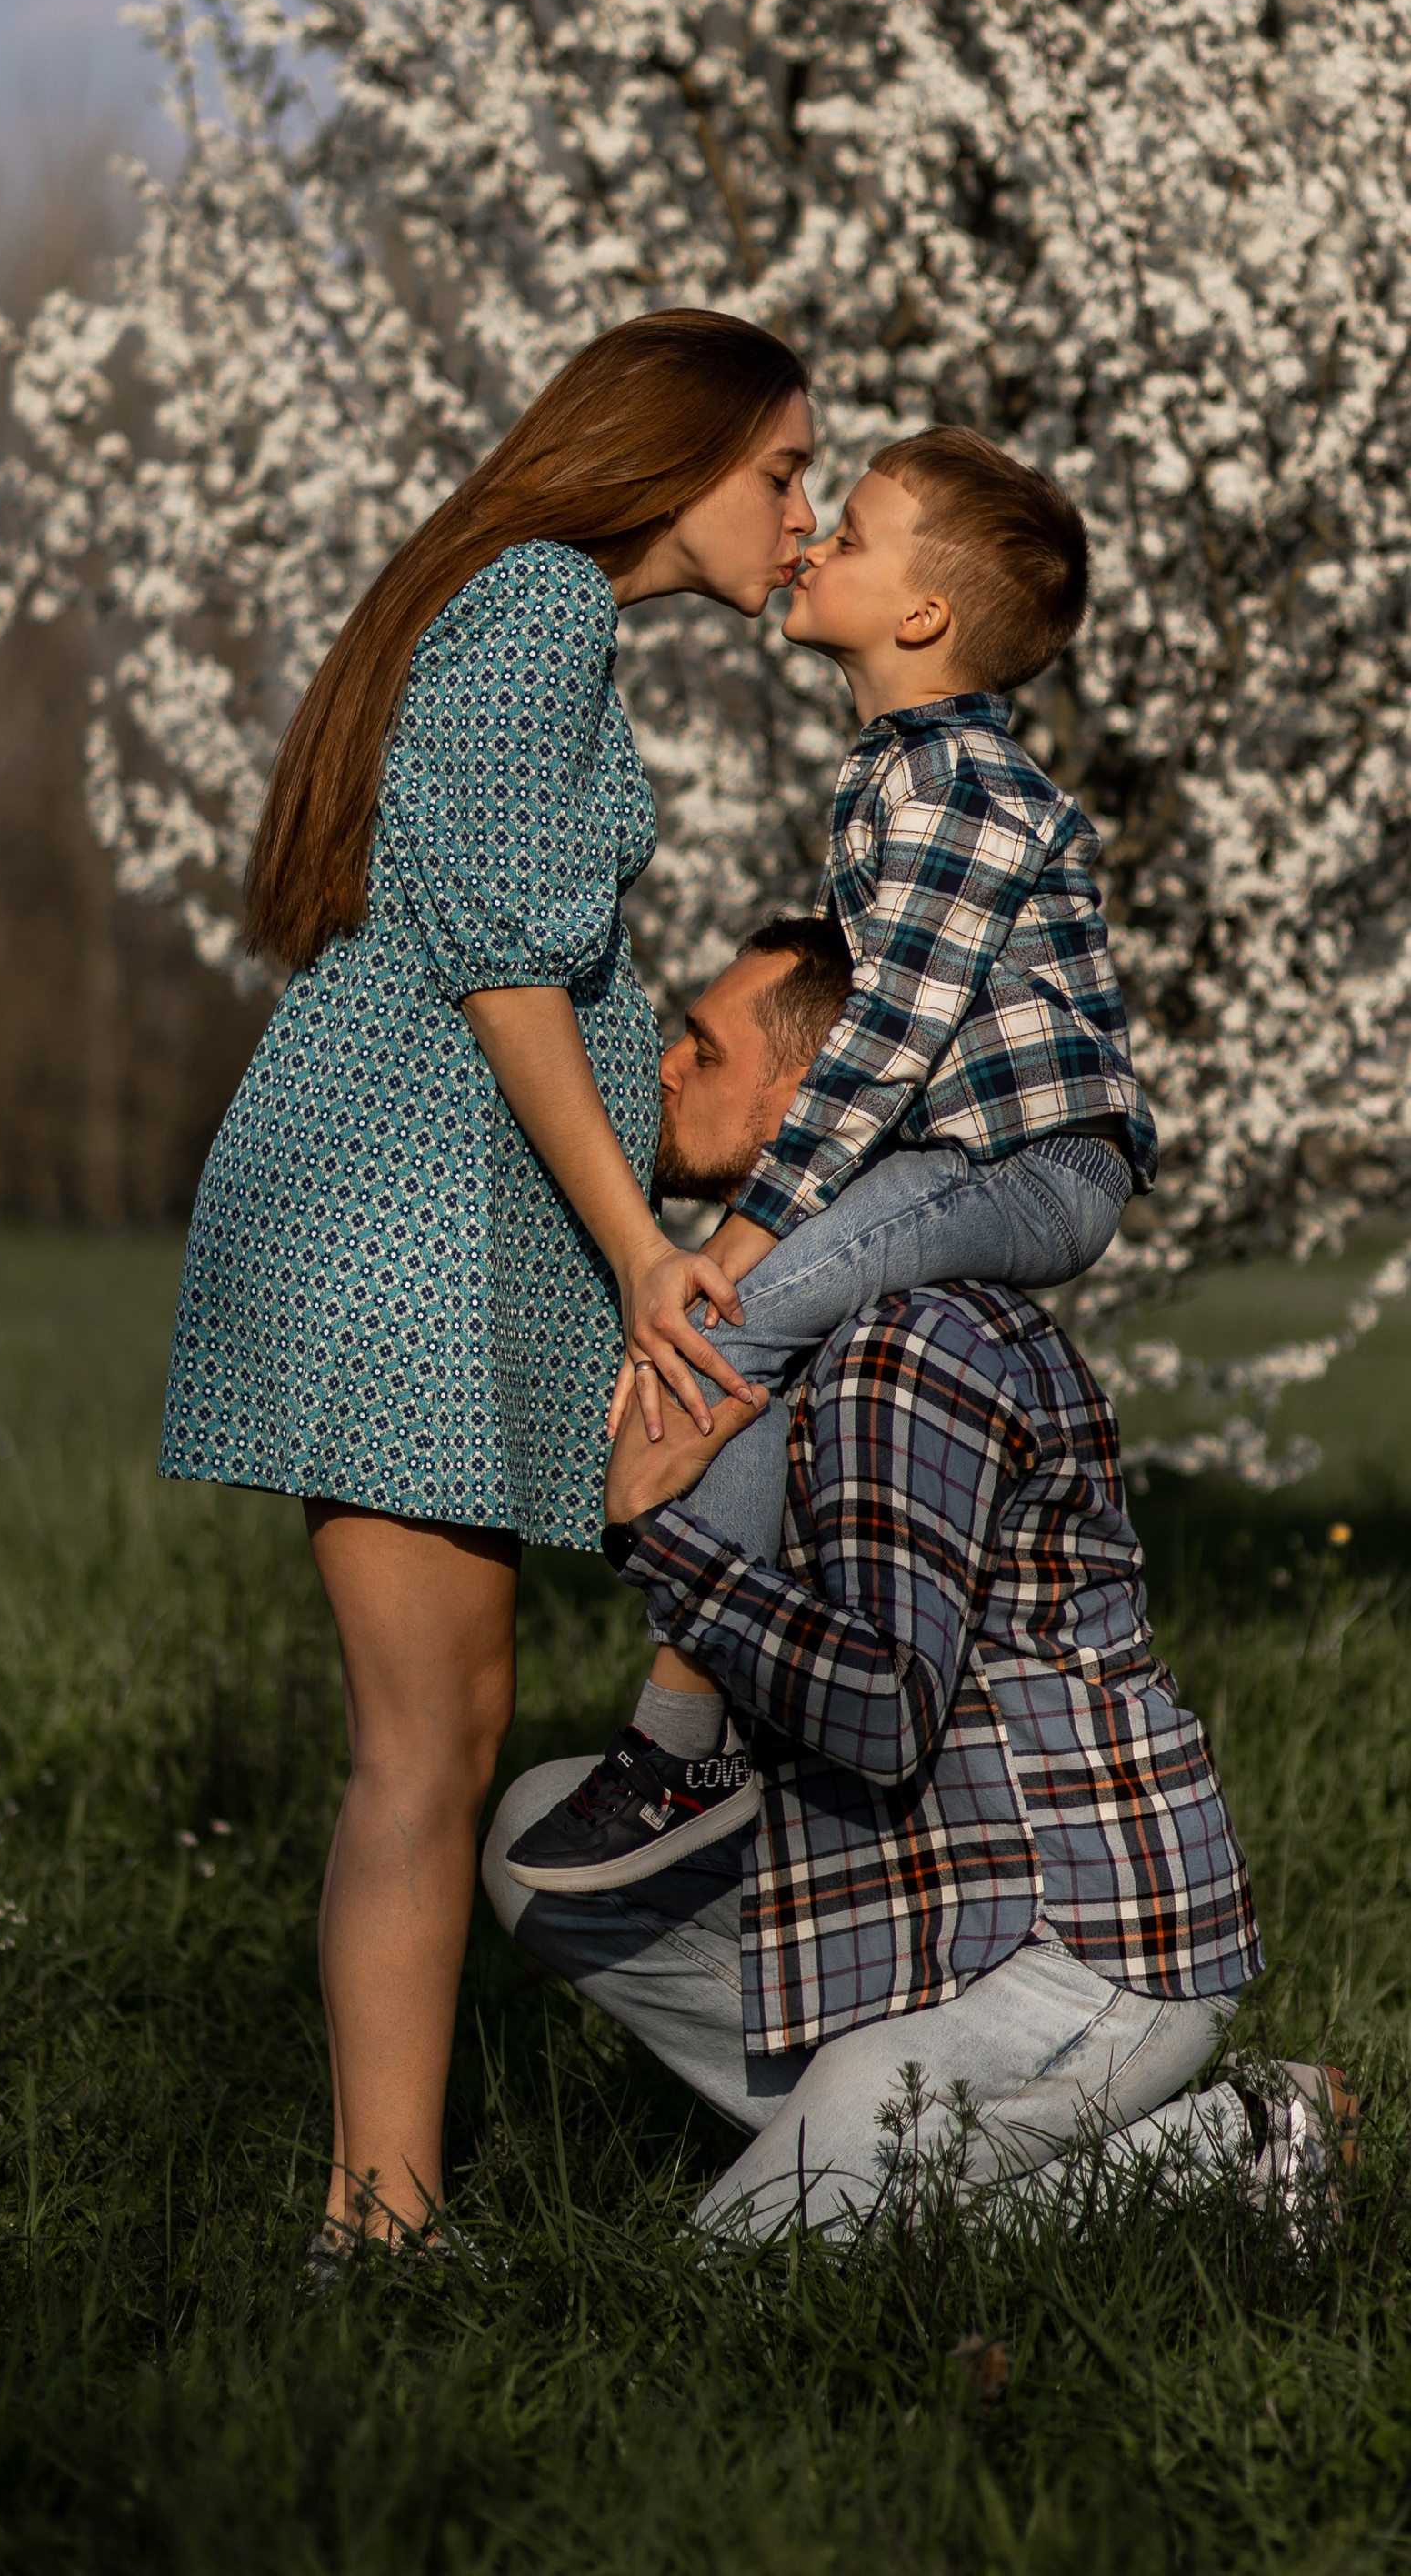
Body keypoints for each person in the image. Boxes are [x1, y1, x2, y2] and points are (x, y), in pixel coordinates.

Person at [158, 311, 816, 2250]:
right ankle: (376, 2224)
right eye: (779, 473)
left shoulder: (526, 609)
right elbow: (505, 979)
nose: (798, 514)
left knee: (437, 1736)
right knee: (422, 1749)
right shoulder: (536, 605)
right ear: (672, 454)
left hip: (417, 1208)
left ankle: (387, 2209)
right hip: (405, 1216)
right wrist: (639, 1253)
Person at [484, 919, 1355, 2242]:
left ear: (818, 1104)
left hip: (1077, 1950)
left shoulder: (911, 1348)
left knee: (729, 2285)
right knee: (533, 1842)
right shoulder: (797, 1347)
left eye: (706, 1048)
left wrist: (665, 1544)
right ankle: (881, 2165)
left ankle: (1221, 2146)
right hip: (921, 1898)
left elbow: (884, 1708)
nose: (665, 1066)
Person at [505, 426, 1158, 1894]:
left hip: (1031, 1163)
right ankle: (706, 1702)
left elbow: (879, 1057)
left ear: (924, 617)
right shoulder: (897, 771)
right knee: (737, 1362)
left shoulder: (961, 787)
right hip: (966, 1157)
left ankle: (686, 1727)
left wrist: (728, 1253)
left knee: (721, 1321)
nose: (809, 542)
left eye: (848, 535)